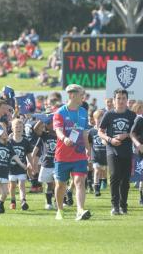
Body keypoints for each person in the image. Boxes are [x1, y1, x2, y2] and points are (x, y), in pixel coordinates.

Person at [53, 84, 91, 221]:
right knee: (60, 185)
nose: (83, 97)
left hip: (79, 154)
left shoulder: (83, 112)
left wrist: (88, 149)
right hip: (62, 155)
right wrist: (64, 138)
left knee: (79, 181)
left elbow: (85, 133)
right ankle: (60, 210)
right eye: (81, 94)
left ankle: (80, 210)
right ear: (72, 95)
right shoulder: (60, 112)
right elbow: (58, 130)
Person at [98, 89, 136, 215]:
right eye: (118, 98)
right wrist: (110, 139)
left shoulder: (132, 115)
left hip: (127, 151)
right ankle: (115, 206)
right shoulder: (108, 114)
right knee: (114, 176)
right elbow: (100, 131)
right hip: (112, 150)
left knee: (125, 179)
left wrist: (126, 135)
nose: (121, 101)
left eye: (123, 98)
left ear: (127, 100)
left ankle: (123, 205)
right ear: (114, 101)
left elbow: (137, 133)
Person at [8, 119, 34, 211]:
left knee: (22, 184)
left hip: (22, 167)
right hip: (11, 168)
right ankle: (13, 201)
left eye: (20, 127)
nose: (18, 128)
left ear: (23, 128)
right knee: (12, 185)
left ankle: (23, 201)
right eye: (16, 127)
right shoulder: (9, 141)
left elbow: (29, 154)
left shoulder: (25, 142)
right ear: (12, 128)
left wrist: (31, 164)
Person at [33, 114, 57, 209]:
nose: (51, 124)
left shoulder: (59, 134)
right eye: (49, 123)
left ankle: (58, 201)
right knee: (49, 184)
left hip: (57, 163)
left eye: (52, 122)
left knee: (58, 183)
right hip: (47, 163)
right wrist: (42, 119)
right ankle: (48, 202)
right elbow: (35, 129)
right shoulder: (44, 135)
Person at [88, 110, 107, 197]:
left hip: (105, 155)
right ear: (94, 120)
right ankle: (96, 189)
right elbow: (90, 144)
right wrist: (89, 154)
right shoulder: (92, 131)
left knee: (103, 170)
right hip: (96, 155)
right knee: (96, 170)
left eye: (102, 120)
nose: (100, 122)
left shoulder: (106, 131)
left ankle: (104, 181)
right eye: (98, 120)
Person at [131, 102, 143, 205]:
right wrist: (138, 144)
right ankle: (141, 197)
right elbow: (132, 133)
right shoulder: (139, 119)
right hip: (141, 150)